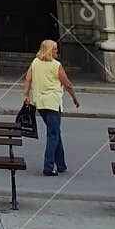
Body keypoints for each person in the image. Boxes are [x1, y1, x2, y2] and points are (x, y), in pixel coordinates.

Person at [23, 38, 79, 176]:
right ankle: (48, 166)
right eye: (54, 49)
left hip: (40, 103)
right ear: (48, 50)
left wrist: (25, 95)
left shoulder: (35, 62)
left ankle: (61, 164)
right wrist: (74, 98)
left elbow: (28, 79)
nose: (57, 51)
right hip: (53, 103)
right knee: (53, 134)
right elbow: (67, 84)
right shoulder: (56, 65)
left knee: (55, 132)